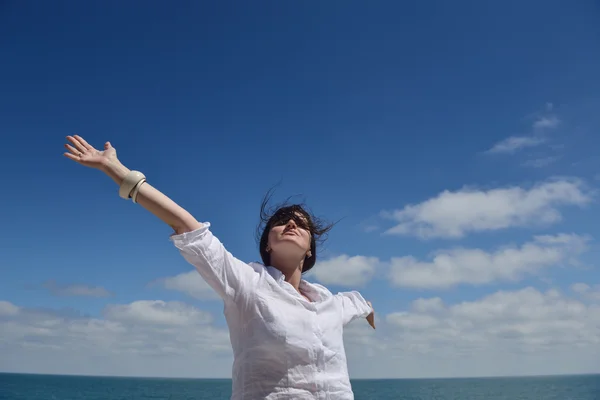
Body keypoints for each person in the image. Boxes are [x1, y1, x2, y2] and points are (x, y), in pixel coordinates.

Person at [63, 135, 375, 400]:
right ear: (267, 243)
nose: (291, 223)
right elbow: (186, 225)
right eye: (280, 222)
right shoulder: (246, 282)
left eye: (301, 225)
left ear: (310, 250)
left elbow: (355, 302)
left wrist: (368, 310)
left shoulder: (329, 302)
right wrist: (116, 169)